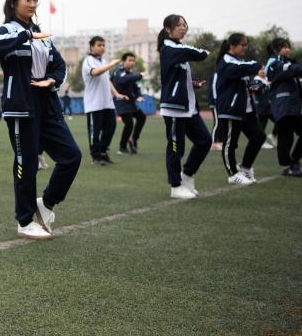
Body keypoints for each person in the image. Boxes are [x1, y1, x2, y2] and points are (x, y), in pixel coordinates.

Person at [0, 0, 81, 240]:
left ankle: (46, 202)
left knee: (71, 156)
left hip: (47, 103)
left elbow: (59, 64)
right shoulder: (8, 30)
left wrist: (52, 79)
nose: (32, 3)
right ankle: (25, 220)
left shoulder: (40, 33)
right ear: (14, 2)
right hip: (21, 105)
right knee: (26, 163)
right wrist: (27, 36)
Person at [157, 14, 211, 199]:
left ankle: (186, 175)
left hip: (189, 107)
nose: (183, 27)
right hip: (174, 108)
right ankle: (175, 186)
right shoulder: (169, 47)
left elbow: (175, 76)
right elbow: (195, 53)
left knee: (204, 141)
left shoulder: (177, 48)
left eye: (184, 24)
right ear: (168, 29)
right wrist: (204, 53)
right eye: (179, 25)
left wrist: (192, 83)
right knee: (175, 148)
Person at [213, 33, 265, 185]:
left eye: (246, 44)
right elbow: (236, 70)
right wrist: (258, 66)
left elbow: (241, 82)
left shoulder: (238, 62)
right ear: (232, 46)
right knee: (230, 143)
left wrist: (254, 87)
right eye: (242, 44)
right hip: (230, 108)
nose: (245, 47)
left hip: (245, 110)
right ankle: (233, 174)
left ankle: (245, 167)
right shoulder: (226, 61)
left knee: (259, 137)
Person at [82, 36, 126, 165]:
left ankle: (103, 152)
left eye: (103, 45)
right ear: (91, 47)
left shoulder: (103, 61)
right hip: (94, 103)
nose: (102, 47)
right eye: (99, 45)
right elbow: (95, 72)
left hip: (107, 102)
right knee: (94, 131)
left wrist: (117, 94)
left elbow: (107, 80)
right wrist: (111, 64)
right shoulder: (88, 60)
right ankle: (95, 156)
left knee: (111, 127)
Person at [266, 38, 302, 177]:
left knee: (286, 137)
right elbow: (287, 70)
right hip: (283, 105)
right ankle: (290, 165)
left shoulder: (289, 63)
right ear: (276, 50)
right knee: (285, 137)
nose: (287, 49)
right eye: (284, 47)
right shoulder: (274, 61)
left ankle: (292, 163)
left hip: (293, 106)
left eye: (288, 47)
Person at [112, 52, 146, 155]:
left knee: (142, 117)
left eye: (133, 60)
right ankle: (122, 148)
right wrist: (139, 75)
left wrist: (139, 95)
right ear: (123, 61)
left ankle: (133, 139)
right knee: (129, 123)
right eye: (129, 60)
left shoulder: (131, 73)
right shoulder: (118, 72)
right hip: (121, 102)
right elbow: (123, 80)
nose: (132, 62)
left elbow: (136, 88)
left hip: (130, 103)